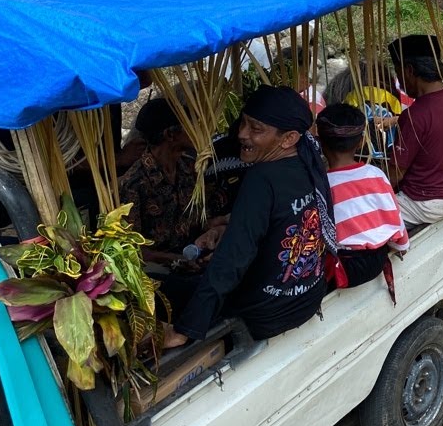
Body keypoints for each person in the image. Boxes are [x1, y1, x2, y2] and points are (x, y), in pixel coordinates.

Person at [163, 86, 336, 347]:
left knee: (166, 288)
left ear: (288, 138)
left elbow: (231, 260)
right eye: (243, 123)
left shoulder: (261, 179)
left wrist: (185, 330)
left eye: (256, 129)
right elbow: (283, 219)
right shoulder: (308, 162)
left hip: (266, 315)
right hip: (305, 299)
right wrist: (227, 227)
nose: (242, 134)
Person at [119, 97, 230, 261]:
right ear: (170, 135)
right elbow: (132, 249)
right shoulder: (134, 183)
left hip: (194, 254)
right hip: (157, 268)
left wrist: (218, 224)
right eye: (191, 126)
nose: (198, 130)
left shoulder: (189, 166)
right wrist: (178, 259)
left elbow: (196, 222)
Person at [382, 34, 443, 226]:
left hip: (425, 204)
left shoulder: (414, 115)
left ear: (409, 70)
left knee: (371, 215)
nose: (399, 81)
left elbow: (395, 174)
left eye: (399, 73)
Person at [317, 104, 409, 294]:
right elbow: (395, 219)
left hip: (345, 269)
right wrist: (402, 245)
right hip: (376, 261)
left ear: (321, 143)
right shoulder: (376, 174)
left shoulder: (322, 185)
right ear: (360, 142)